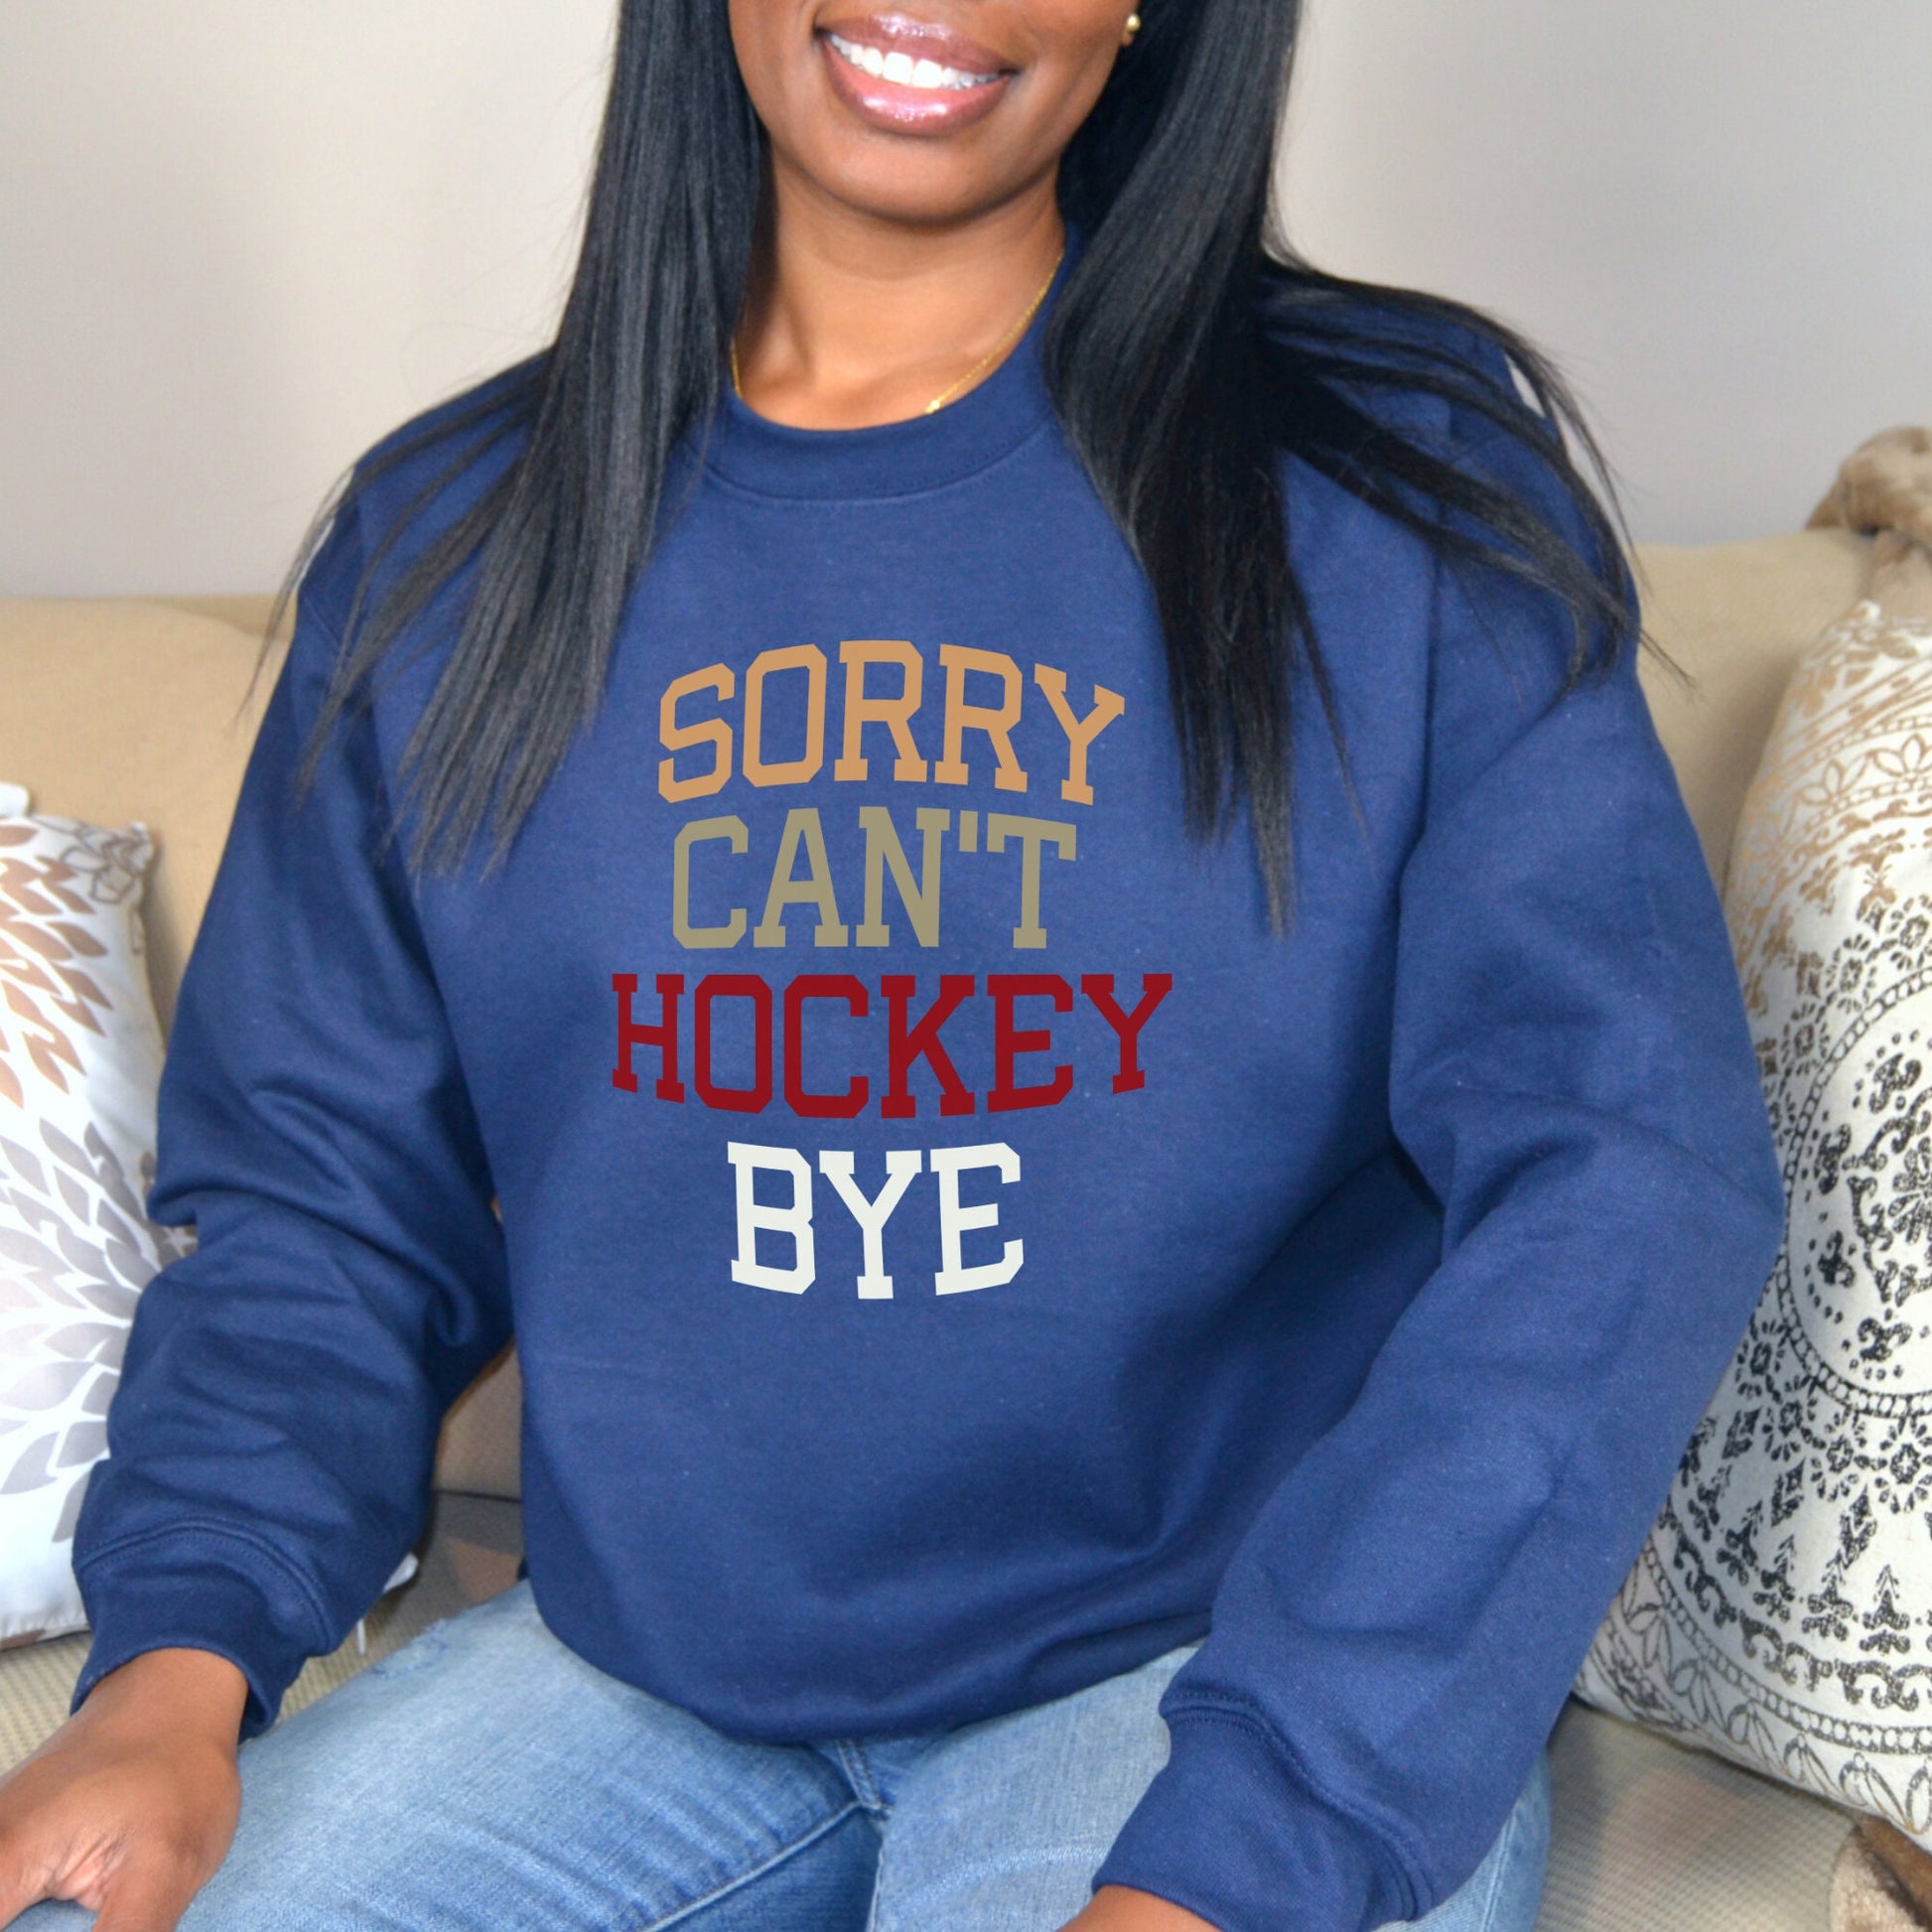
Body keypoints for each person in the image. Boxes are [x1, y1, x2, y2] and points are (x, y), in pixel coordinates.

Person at [0, 1, 1786, 1928]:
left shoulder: (1396, 486)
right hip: (639, 1681)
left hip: (1194, 1680)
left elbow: (1623, 1173)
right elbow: (320, 1204)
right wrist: (171, 1668)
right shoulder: (450, 539)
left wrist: (1258, 1836)